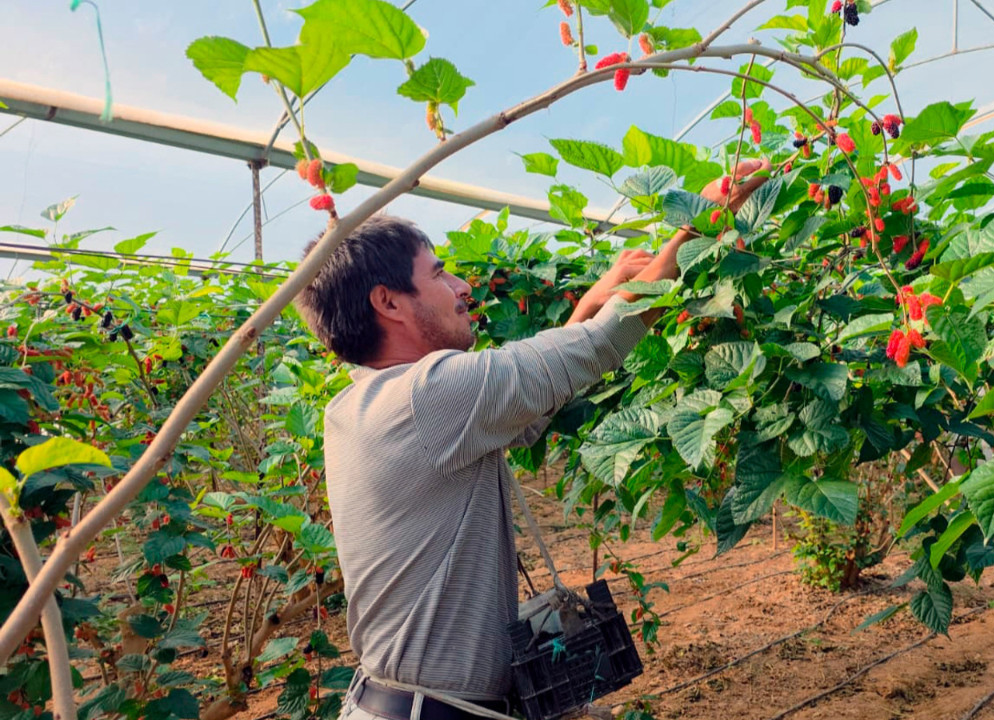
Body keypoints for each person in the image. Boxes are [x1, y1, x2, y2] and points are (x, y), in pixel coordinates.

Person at [294, 158, 770, 720]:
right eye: (440, 274)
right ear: (389, 302)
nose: (462, 287)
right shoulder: (428, 394)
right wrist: (699, 222)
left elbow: (531, 407)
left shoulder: (363, 403)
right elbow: (600, 345)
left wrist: (592, 301)